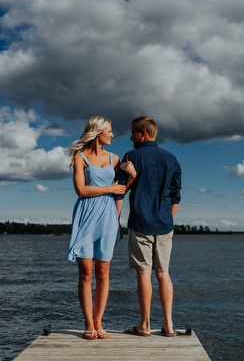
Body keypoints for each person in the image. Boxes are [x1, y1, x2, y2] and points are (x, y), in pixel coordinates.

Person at [67, 116, 136, 340]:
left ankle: (99, 322)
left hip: (108, 217)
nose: (113, 135)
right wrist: (111, 188)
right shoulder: (80, 158)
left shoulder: (115, 158)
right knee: (86, 273)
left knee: (103, 273)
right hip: (86, 215)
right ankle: (88, 323)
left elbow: (120, 192)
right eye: (109, 131)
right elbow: (81, 190)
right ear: (97, 133)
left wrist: (131, 179)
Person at [115, 117, 182, 337]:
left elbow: (119, 190)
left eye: (133, 132)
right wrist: (168, 221)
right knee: (163, 273)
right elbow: (175, 197)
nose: (131, 137)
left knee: (144, 274)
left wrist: (116, 220)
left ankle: (144, 325)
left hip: (140, 222)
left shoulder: (130, 157)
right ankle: (169, 325)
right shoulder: (172, 160)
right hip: (164, 224)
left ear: (143, 133)